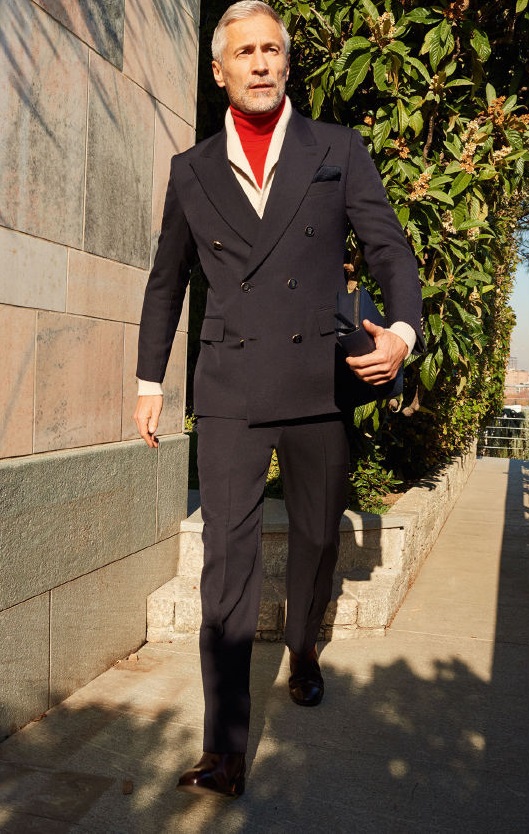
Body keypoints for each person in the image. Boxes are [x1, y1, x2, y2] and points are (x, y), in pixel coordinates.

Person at [134, 0, 423, 798]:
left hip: (317, 381)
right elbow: (165, 282)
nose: (260, 62)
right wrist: (149, 382)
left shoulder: (336, 148)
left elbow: (388, 246)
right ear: (218, 70)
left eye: (271, 49)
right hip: (230, 387)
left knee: (316, 536)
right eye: (244, 52)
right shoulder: (190, 169)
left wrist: (401, 331)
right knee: (225, 565)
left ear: (287, 63)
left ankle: (302, 646)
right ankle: (224, 749)